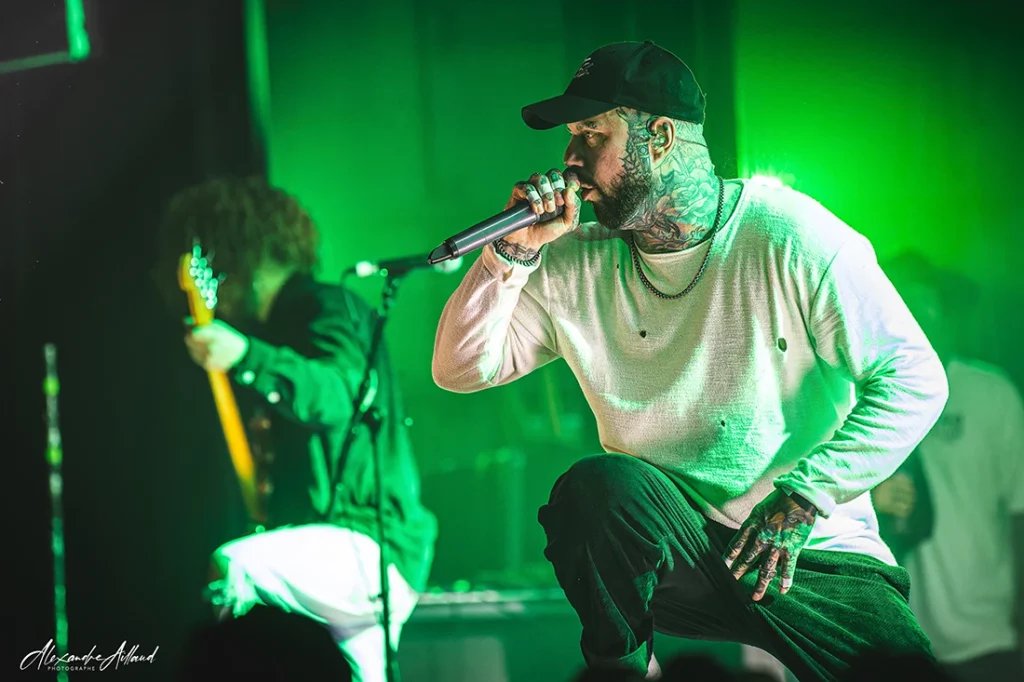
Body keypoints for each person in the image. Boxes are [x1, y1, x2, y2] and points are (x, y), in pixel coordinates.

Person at [431, 41, 949, 681]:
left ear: (661, 137)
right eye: (571, 137)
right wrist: (507, 256)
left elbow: (915, 378)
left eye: (593, 134)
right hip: (674, 545)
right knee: (597, 491)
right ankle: (622, 671)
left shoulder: (788, 235)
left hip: (801, 549)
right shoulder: (572, 261)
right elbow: (460, 370)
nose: (570, 157)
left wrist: (805, 497)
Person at [156, 176, 437, 682]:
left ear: (234, 251)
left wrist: (245, 356)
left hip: (365, 545)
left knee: (235, 569)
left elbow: (341, 394)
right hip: (347, 553)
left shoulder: (325, 306)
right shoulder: (280, 326)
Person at [872, 252, 1024, 682]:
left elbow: (1020, 511)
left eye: (927, 300)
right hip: (906, 641)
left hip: (989, 635)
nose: (918, 313)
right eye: (901, 300)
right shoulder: (869, 397)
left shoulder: (990, 392)